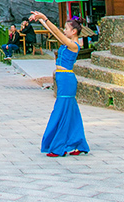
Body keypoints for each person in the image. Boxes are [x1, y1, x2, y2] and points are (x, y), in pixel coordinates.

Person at [30, 11, 90, 157]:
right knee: (71, 112)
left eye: (66, 29)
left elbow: (56, 31)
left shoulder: (74, 45)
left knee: (61, 111)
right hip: (62, 78)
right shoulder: (66, 42)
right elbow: (55, 32)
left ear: (74, 31)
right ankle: (78, 143)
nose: (64, 30)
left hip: (67, 79)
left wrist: (45, 17)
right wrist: (41, 21)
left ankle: (58, 146)